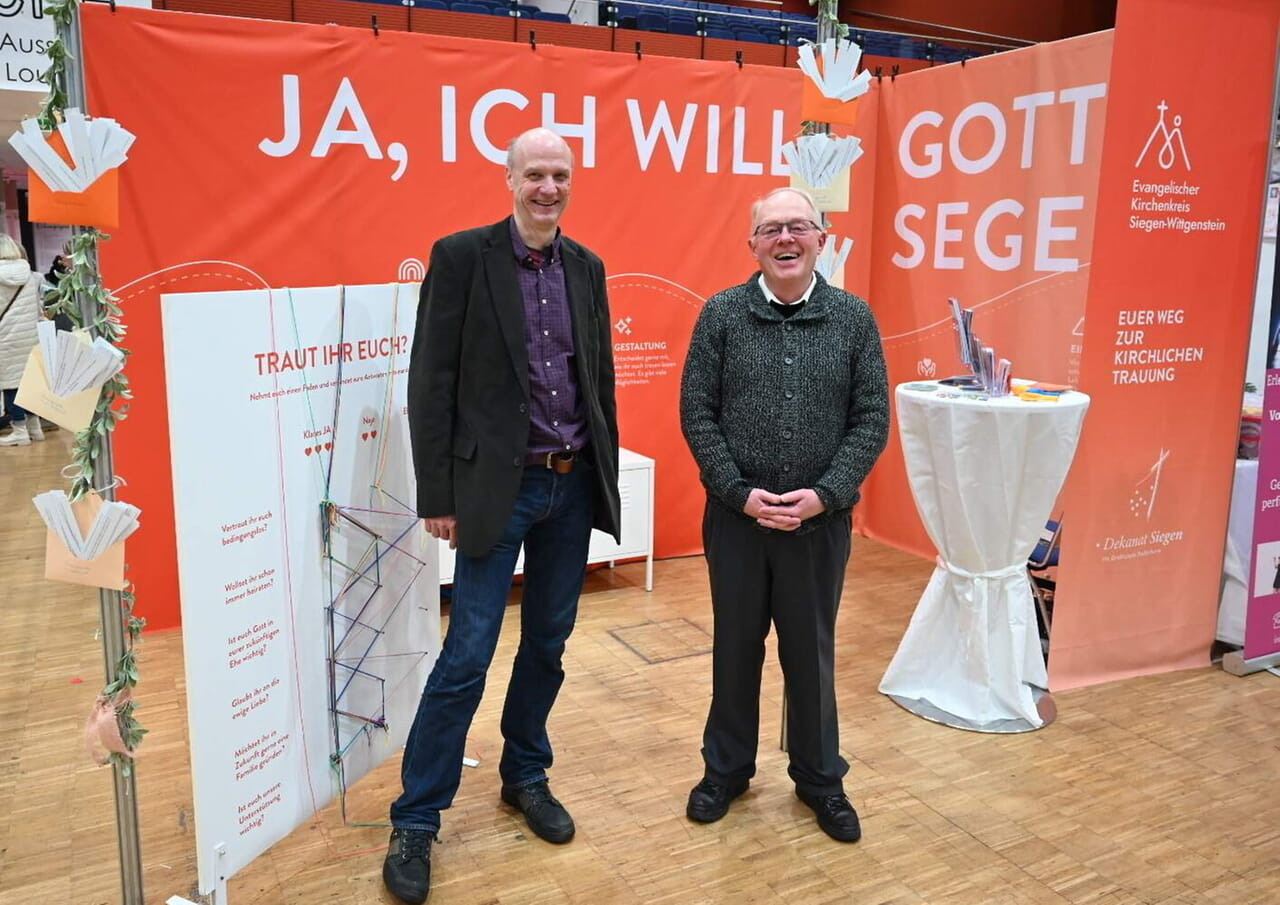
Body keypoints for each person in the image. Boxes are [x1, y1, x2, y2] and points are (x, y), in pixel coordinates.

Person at [384, 127, 620, 905]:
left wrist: (603, 475)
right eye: (535, 175)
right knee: (468, 654)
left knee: (548, 643)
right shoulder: (460, 257)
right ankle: (417, 817)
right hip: (497, 490)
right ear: (509, 179)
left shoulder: (586, 267)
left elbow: (597, 379)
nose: (548, 187)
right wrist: (438, 495)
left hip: (570, 485)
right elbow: (431, 380)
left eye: (560, 175)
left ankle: (525, 772)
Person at [679, 187, 889, 842]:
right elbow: (697, 412)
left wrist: (825, 493)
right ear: (753, 246)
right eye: (771, 229)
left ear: (822, 237)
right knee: (735, 650)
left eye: (798, 226)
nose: (785, 239)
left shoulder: (854, 319)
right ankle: (727, 770)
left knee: (810, 653)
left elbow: (871, 419)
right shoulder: (720, 316)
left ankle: (820, 778)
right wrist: (737, 490)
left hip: (818, 527)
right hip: (736, 521)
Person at [0, 235, 47, 447]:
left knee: (10, 384)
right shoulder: (29, 274)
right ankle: (35, 427)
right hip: (29, 336)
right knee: (29, 382)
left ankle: (19, 430)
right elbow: (38, 307)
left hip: (5, 336)